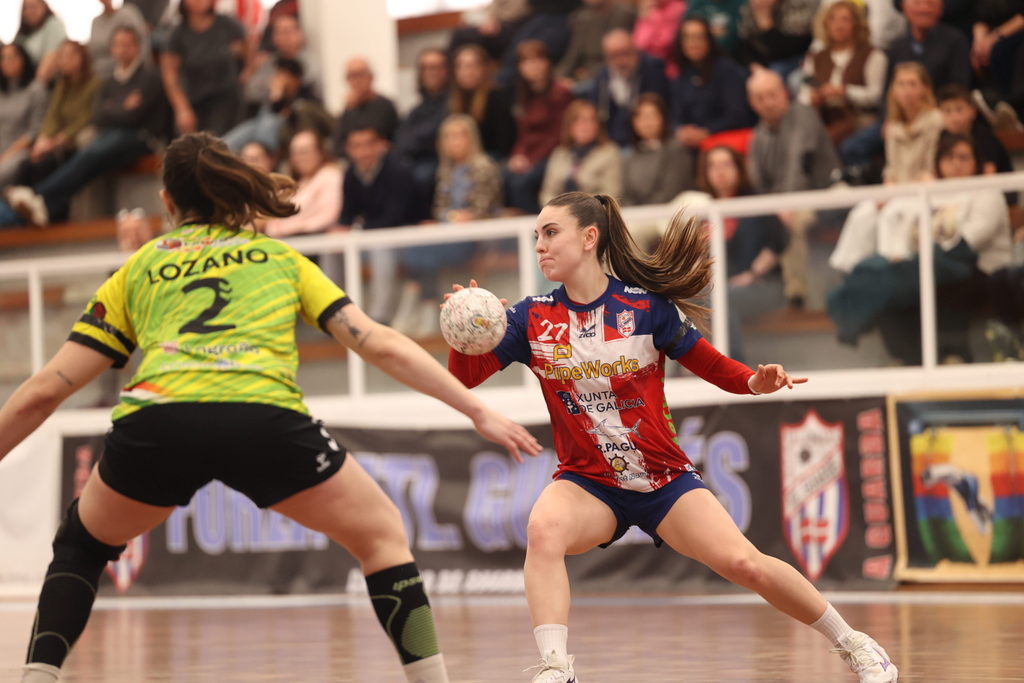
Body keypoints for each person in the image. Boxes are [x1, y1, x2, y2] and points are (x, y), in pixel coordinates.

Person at [3, 131, 541, 683]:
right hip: (260, 417)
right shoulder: (279, 258)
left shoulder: (138, 268)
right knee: (381, 535)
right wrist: (475, 409)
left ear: (167, 201)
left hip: (160, 421)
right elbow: (376, 342)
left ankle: (36, 678)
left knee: (80, 546)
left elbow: (47, 389)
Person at [444, 191, 899, 683]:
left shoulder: (645, 307)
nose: (540, 245)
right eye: (537, 235)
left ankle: (855, 643)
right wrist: (466, 336)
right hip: (589, 484)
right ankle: (557, 668)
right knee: (544, 530)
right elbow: (463, 379)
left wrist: (754, 381)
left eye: (551, 232)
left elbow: (714, 366)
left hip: (663, 481)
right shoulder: (530, 318)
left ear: (590, 237)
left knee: (744, 563)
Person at [827, 133, 1013, 364]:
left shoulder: (986, 191)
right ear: (938, 162)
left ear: (976, 161)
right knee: (889, 287)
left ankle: (952, 355)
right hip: (932, 264)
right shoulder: (931, 193)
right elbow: (911, 233)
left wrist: (924, 253)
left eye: (963, 157)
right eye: (949, 157)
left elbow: (973, 240)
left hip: (978, 268)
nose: (956, 163)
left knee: (908, 282)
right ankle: (910, 359)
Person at [1, 27, 164, 229]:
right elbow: (98, 116)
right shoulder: (110, 80)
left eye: (127, 44)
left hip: (142, 137)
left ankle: (38, 197)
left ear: (137, 47)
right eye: (117, 45)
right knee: (86, 154)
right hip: (110, 136)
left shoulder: (149, 75)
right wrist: (121, 108)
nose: (122, 49)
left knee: (91, 152)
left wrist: (114, 110)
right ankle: (41, 204)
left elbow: (133, 117)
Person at [392, 114, 504, 337]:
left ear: (471, 138)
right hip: (449, 231)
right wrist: (444, 220)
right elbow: (440, 207)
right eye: (449, 137)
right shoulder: (446, 170)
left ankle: (418, 309)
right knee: (414, 250)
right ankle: (424, 308)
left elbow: (483, 208)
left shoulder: (483, 166)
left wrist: (457, 217)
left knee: (420, 256)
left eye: (459, 136)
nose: (454, 142)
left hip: (475, 237)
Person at [746, 68, 839, 308]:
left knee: (793, 220)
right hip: (781, 202)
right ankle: (746, 291)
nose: (768, 102)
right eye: (761, 98)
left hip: (823, 193)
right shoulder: (759, 133)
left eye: (773, 94)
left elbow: (796, 166)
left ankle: (798, 295)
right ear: (752, 103)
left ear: (784, 93)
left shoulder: (803, 115)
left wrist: (783, 205)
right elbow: (756, 179)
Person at [698, 145, 788, 363]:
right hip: (718, 289)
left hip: (762, 285)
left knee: (721, 297)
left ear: (739, 169)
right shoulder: (704, 210)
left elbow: (779, 240)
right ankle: (676, 372)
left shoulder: (754, 203)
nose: (719, 172)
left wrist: (752, 274)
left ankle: (736, 370)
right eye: (713, 166)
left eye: (726, 165)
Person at [339, 127, 430, 323]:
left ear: (380, 146)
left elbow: (394, 218)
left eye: (367, 145)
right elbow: (346, 216)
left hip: (407, 240)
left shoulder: (398, 171)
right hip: (370, 237)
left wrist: (358, 229)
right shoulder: (350, 174)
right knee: (334, 249)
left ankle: (380, 318)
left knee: (381, 249)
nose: (363, 152)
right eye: (356, 146)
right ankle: (338, 314)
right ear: (348, 150)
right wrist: (342, 229)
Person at [797, 1, 887, 162]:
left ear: (856, 24)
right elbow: (803, 93)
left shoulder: (873, 55)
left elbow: (876, 95)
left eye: (845, 20)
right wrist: (814, 97)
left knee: (823, 140)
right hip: (824, 116)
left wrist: (845, 91)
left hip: (858, 118)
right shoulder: (816, 56)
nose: (838, 25)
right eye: (833, 19)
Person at [11, 41, 99, 189]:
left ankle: (42, 199)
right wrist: (42, 139)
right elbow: (53, 115)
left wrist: (56, 141)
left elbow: (86, 117)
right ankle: (19, 201)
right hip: (57, 138)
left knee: (44, 165)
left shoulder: (94, 83)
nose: (65, 61)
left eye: (69, 56)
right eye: (61, 56)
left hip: (75, 138)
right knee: (26, 165)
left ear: (81, 57)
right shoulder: (62, 84)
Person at [669, 17, 756, 156]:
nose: (693, 43)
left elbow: (737, 115)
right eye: (687, 37)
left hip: (724, 141)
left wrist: (707, 131)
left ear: (709, 40)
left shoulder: (726, 69)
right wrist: (680, 130)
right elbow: (676, 115)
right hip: (691, 144)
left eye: (698, 37)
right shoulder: (681, 76)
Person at [505, 40, 573, 214]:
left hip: (554, 153)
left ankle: (536, 224)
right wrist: (518, 155)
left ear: (547, 62)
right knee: (506, 176)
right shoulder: (524, 94)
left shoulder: (561, 92)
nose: (532, 66)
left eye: (536, 60)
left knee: (523, 183)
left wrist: (531, 160)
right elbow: (523, 132)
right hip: (531, 155)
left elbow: (558, 134)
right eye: (526, 62)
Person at [161, 0, 248, 136]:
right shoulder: (178, 33)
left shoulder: (226, 24)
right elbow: (170, 75)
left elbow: (248, 46)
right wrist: (182, 108)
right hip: (195, 100)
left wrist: (247, 73)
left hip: (226, 99)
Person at [223, 57, 331, 156]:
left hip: (285, 144)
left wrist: (276, 98)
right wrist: (275, 102)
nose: (278, 80)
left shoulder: (306, 102)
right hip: (264, 136)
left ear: (295, 80)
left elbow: (265, 138)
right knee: (248, 128)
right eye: (277, 74)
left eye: (282, 75)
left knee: (265, 123)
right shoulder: (276, 102)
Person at [585, 28, 669, 147]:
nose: (621, 61)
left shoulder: (653, 70)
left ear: (635, 51)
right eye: (613, 56)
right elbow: (596, 114)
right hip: (612, 143)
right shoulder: (601, 79)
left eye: (625, 53)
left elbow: (662, 108)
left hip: (647, 140)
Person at [394, 48, 452, 201]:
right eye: (424, 68)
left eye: (435, 67)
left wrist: (413, 141)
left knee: (420, 177)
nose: (430, 73)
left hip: (438, 159)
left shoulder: (454, 101)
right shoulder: (417, 108)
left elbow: (432, 134)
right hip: (415, 158)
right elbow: (401, 138)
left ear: (446, 70)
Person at [540, 99, 622, 205]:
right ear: (569, 125)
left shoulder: (609, 152)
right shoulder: (559, 153)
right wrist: (555, 208)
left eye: (591, 120)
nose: (585, 125)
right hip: (559, 211)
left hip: (594, 211)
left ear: (598, 125)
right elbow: (547, 192)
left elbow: (611, 194)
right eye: (578, 120)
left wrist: (578, 209)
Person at [263, 129, 343, 238]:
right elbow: (274, 222)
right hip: (290, 240)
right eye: (294, 153)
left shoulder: (331, 175)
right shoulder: (295, 183)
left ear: (320, 152)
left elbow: (328, 216)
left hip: (320, 241)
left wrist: (288, 228)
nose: (299, 158)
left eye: (304, 152)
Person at [620, 93, 693, 207]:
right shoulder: (629, 156)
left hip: (670, 212)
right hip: (636, 215)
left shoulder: (675, 150)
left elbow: (671, 191)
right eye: (641, 116)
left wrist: (645, 212)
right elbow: (625, 195)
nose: (647, 121)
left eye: (652, 115)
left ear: (663, 118)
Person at [242, 13, 323, 117]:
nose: (283, 37)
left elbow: (308, 86)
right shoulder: (270, 61)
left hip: (298, 114)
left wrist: (284, 86)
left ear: (299, 34)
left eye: (287, 32)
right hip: (267, 112)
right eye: (278, 32)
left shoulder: (309, 61)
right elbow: (251, 92)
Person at [449, 44, 516, 159]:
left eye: (472, 66)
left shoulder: (496, 97)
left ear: (484, 68)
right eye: (461, 66)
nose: (467, 72)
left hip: (492, 157)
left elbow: (506, 143)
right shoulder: (453, 100)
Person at [881, 61, 944, 184]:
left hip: (925, 186)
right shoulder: (892, 126)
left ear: (925, 89)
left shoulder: (935, 120)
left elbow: (931, 167)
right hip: (898, 188)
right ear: (893, 90)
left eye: (913, 84)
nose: (907, 91)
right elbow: (891, 169)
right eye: (901, 84)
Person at [555, 0, 636, 86]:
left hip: (609, 75)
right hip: (584, 76)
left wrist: (585, 77)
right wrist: (557, 78)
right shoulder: (581, 18)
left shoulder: (624, 15)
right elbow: (573, 54)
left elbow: (620, 56)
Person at [0, 43, 47, 190]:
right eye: (3, 58)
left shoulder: (36, 89)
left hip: (20, 150)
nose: (6, 62)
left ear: (23, 60)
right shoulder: (2, 91)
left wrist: (6, 155)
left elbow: (34, 131)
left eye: (11, 57)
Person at [333, 57, 400, 157]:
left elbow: (397, 141)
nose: (356, 81)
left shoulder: (385, 106)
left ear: (371, 77)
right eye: (351, 76)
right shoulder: (349, 109)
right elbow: (338, 146)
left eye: (359, 75)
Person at [88, 0, 149, 81]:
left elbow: (143, 41)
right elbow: (92, 52)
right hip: (101, 76)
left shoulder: (127, 14)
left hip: (131, 72)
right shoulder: (95, 22)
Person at [14, 0, 66, 83]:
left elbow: (51, 58)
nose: (29, 11)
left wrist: (37, 86)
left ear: (44, 7)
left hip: (46, 84)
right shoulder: (22, 34)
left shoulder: (53, 25)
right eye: (25, 8)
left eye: (33, 7)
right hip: (20, 84)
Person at [632, 0, 686, 71]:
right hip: (646, 57)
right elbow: (638, 42)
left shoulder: (677, 8)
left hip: (667, 60)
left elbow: (665, 42)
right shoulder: (650, 8)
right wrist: (645, 18)